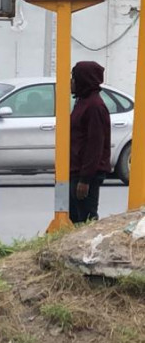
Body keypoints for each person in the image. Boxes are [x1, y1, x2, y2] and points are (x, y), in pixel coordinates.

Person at [69, 61, 112, 224]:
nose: (71, 82)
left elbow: (95, 145)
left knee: (86, 220)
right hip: (77, 170)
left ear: (84, 80)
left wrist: (85, 179)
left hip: (86, 174)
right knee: (74, 218)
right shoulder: (82, 102)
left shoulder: (95, 106)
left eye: (74, 78)